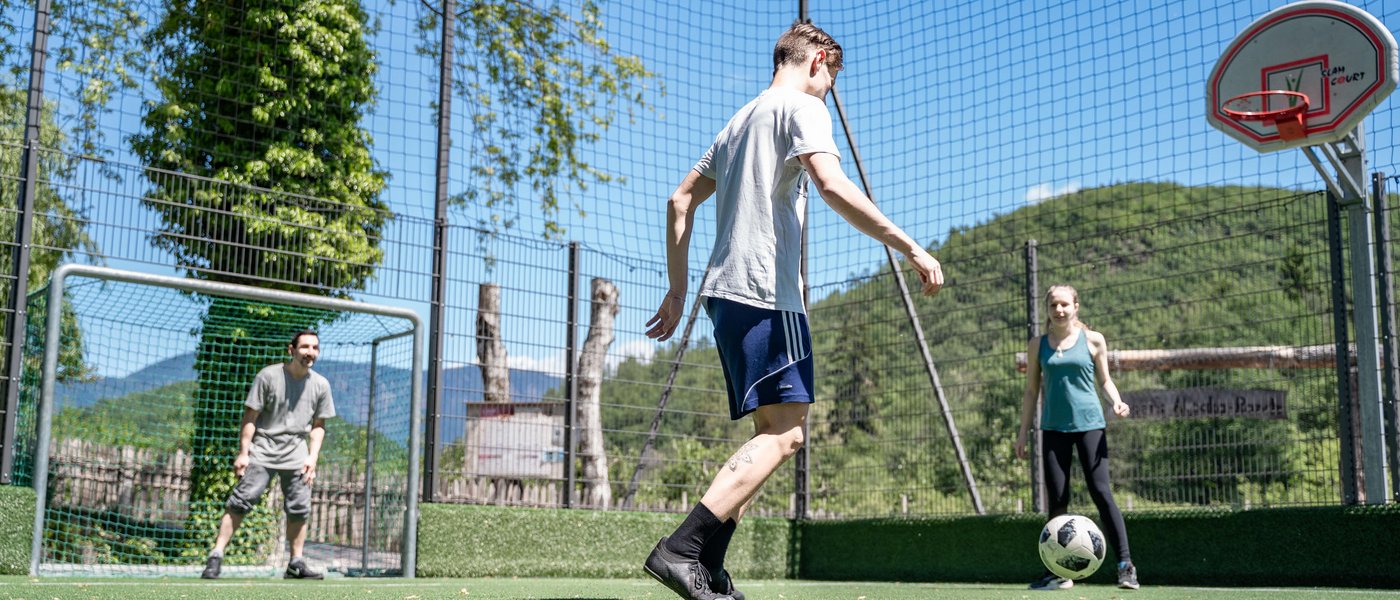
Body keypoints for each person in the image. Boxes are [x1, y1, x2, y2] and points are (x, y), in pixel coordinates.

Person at [642, 21, 943, 600]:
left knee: (768, 436)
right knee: (788, 438)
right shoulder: (803, 108)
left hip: (725, 296)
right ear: (820, 60)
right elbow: (830, 186)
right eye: (832, 78)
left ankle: (710, 567)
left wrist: (678, 291)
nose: (829, 90)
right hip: (765, 295)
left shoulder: (740, 119)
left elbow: (679, 201)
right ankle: (682, 550)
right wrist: (909, 246)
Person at [1016, 285, 1139, 591]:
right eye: (1054, 305)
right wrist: (1022, 433)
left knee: (1101, 492)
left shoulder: (1094, 340)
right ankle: (1057, 573)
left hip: (1090, 425)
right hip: (1053, 429)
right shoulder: (1037, 345)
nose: (1059, 310)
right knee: (1057, 499)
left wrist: (1117, 401)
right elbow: (1031, 391)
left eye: (1065, 304)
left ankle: (1125, 566)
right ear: (1048, 309)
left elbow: (1106, 380)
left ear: (1076, 307)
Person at [201, 330, 336, 580]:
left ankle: (296, 563)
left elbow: (319, 425)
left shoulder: (321, 385)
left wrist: (312, 457)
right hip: (263, 450)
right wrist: (244, 453)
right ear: (291, 350)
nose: (311, 352)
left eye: (315, 348)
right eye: (305, 347)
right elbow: (250, 417)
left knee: (299, 508)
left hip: (297, 453)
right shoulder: (268, 376)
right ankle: (216, 555)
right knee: (241, 501)